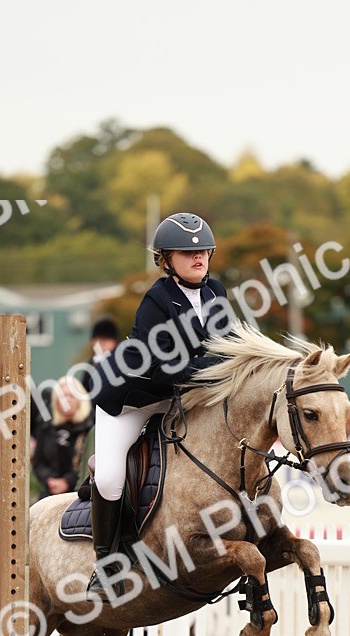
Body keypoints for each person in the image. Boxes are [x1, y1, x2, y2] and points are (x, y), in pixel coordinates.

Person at [84, 211, 235, 591]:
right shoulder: (157, 299)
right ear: (166, 260)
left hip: (178, 397)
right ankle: (106, 566)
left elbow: (229, 348)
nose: (199, 258)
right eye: (188, 253)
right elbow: (162, 366)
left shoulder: (216, 292)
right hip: (131, 399)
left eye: (204, 252)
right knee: (110, 475)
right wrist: (215, 366)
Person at [75, 318, 121, 489]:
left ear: (113, 342)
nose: (101, 345)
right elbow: (84, 396)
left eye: (105, 341)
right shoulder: (89, 366)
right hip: (92, 418)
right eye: (98, 341)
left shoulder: (119, 361)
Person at [32, 375, 93, 499]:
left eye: (71, 395)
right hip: (50, 493)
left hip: (80, 494)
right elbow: (38, 462)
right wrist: (50, 480)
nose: (67, 400)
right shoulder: (46, 425)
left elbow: (89, 463)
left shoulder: (90, 427)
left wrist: (67, 482)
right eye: (63, 396)